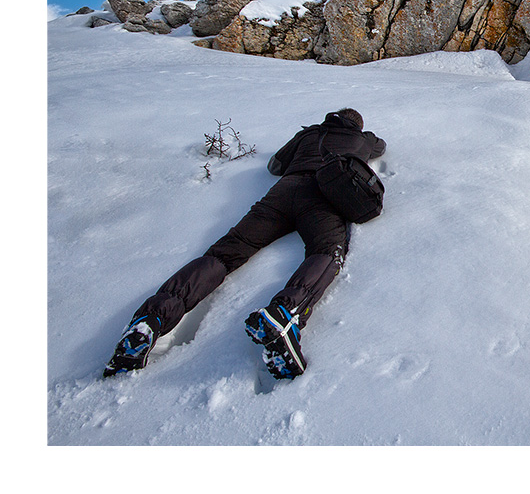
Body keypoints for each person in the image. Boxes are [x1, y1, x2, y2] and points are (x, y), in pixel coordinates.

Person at [104, 108, 387, 380]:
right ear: (358, 126)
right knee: (327, 252)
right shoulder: (363, 138)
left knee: (226, 253)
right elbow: (381, 147)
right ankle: (285, 315)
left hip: (282, 193)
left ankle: (151, 320)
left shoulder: (309, 134)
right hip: (323, 196)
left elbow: (275, 165)